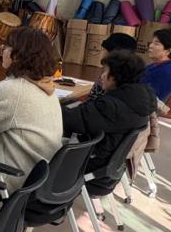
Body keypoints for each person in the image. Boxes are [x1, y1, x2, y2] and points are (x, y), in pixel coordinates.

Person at [0, 27, 63, 193]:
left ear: (19, 54)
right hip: (38, 172)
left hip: (12, 176)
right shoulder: (46, 85)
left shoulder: (13, 89)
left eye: (6, 47)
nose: (3, 51)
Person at [62, 50, 157, 186]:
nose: (102, 76)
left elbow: (71, 120)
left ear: (115, 77)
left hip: (89, 167)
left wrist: (52, 105)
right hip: (107, 167)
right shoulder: (138, 99)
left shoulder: (111, 107)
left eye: (106, 71)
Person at [87, 32, 138, 100]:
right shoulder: (134, 77)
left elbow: (93, 100)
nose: (103, 53)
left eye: (105, 50)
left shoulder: (111, 78)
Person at [143, 28, 171, 101]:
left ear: (168, 51)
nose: (150, 46)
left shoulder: (167, 72)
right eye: (151, 42)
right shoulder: (161, 65)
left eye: (156, 44)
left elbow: (146, 98)